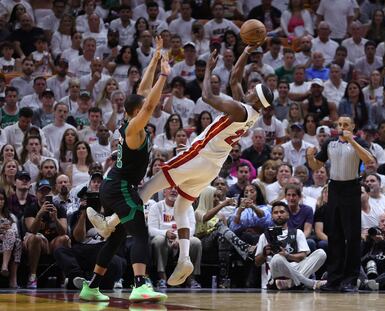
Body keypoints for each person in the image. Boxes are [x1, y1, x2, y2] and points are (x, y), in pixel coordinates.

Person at [88, 43, 274, 286]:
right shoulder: (252, 113)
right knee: (183, 204)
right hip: (212, 166)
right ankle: (185, 258)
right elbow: (236, 78)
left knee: (148, 188)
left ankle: (108, 224)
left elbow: (207, 95)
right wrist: (247, 52)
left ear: (255, 98)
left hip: (198, 155)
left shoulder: (240, 109)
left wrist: (208, 69)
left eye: (253, 90)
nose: (248, 89)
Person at [79, 37, 169, 302]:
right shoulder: (133, 129)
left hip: (113, 186)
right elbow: (150, 104)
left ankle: (92, 286)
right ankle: (140, 284)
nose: (148, 110)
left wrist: (154, 58)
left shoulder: (127, 119)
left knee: (116, 238)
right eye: (143, 109)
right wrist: (163, 75)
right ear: (137, 111)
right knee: (140, 232)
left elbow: (141, 90)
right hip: (120, 188)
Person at [306, 115, 374, 292]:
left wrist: (352, 140)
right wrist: (309, 157)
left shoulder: (358, 142)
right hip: (334, 188)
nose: (342, 127)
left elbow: (369, 160)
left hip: (352, 188)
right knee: (334, 234)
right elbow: (316, 166)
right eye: (340, 124)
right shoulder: (330, 143)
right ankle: (334, 279)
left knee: (352, 236)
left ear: (353, 127)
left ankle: (351, 279)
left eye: (346, 125)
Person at [255, 201, 326, 290]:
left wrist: (288, 255)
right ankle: (310, 283)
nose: (279, 215)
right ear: (272, 216)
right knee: (277, 257)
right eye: (276, 213)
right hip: (277, 270)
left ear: (288, 215)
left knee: (321, 253)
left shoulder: (298, 233)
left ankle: (291, 283)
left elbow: (302, 256)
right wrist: (264, 254)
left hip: (296, 267)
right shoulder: (264, 236)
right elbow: (257, 262)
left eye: (282, 212)